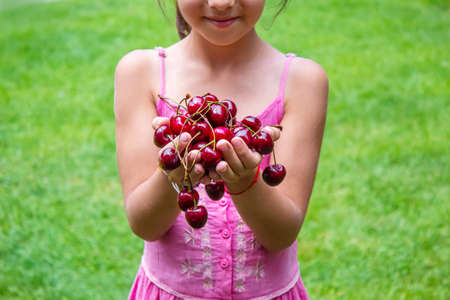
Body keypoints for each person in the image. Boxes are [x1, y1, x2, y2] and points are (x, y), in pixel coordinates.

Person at [114, 0, 328, 299]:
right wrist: (174, 176)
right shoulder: (141, 73)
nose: (221, 3)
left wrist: (244, 183)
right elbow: (144, 224)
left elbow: (281, 234)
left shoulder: (302, 81)